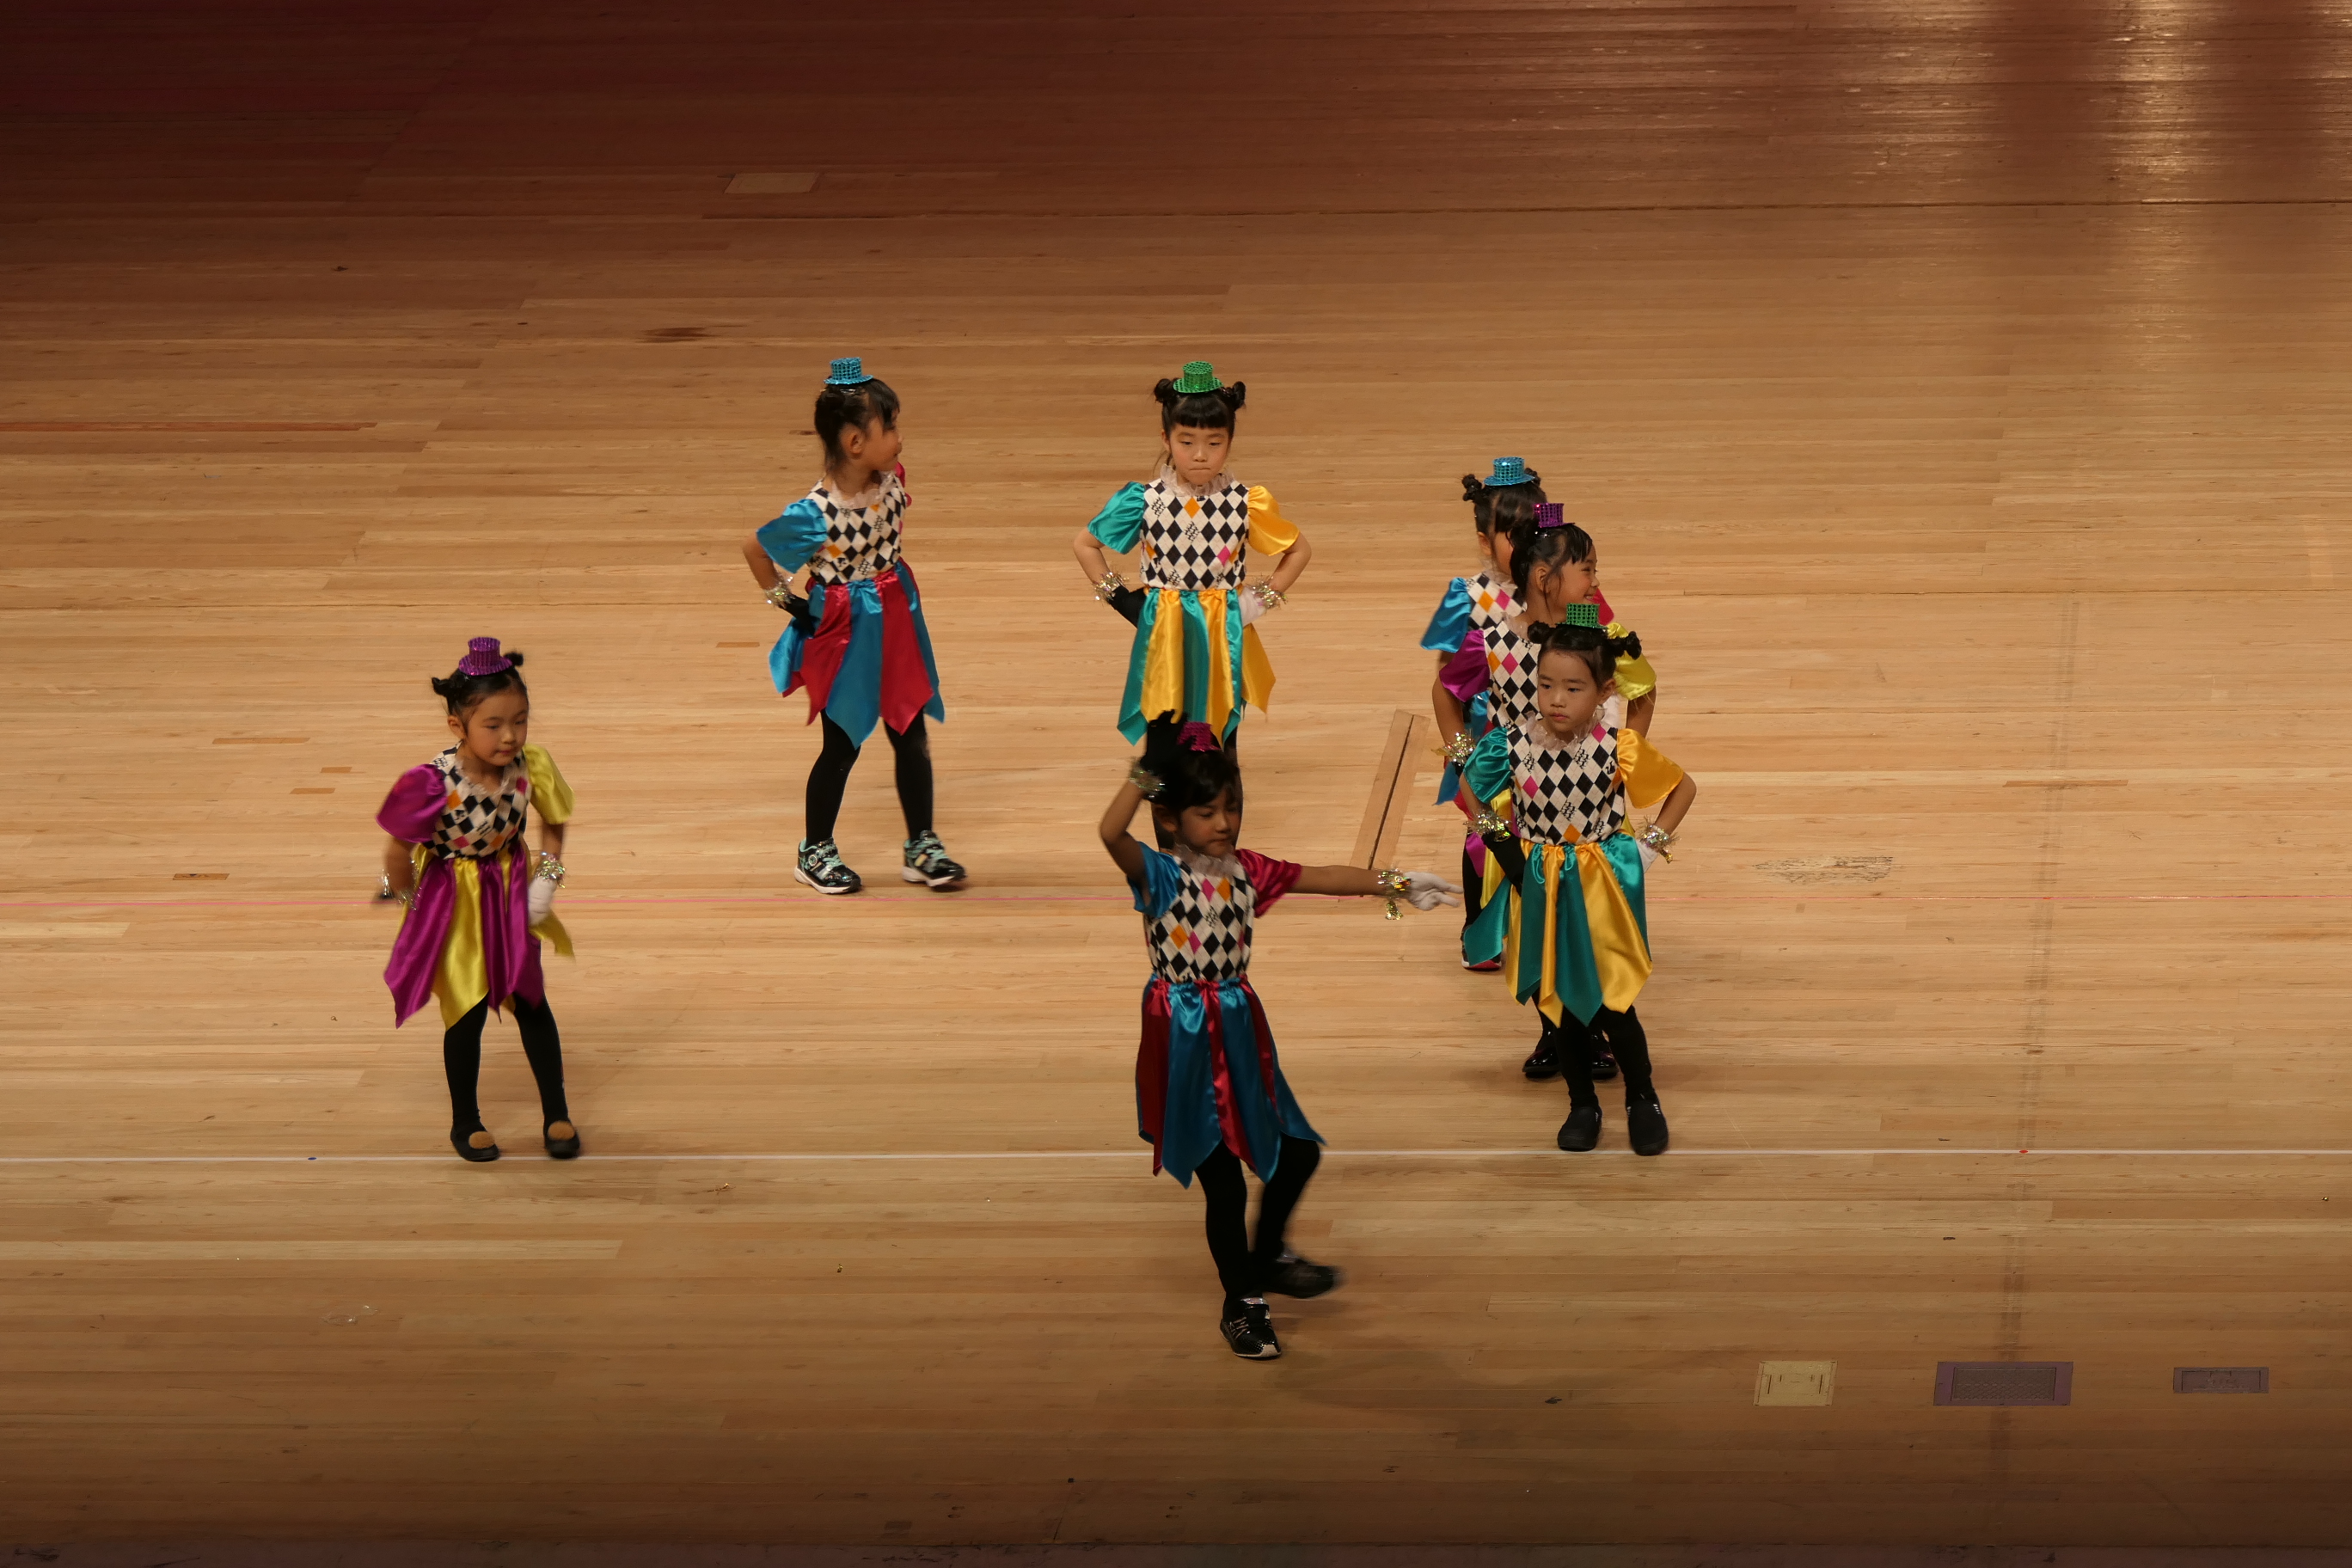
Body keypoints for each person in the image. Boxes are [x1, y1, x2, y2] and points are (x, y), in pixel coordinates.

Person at [1097, 721, 1459, 1359]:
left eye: (1231, 807)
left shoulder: (1248, 871)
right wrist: (1143, 772)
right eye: (1207, 812)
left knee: (1297, 1155)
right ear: (1171, 819)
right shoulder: (1157, 875)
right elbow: (1109, 833)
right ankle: (1242, 1302)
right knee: (1224, 1185)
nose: (1224, 822)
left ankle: (1265, 1256)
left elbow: (1324, 876)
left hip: (1239, 1031)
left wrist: (1397, 883)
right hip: (1184, 1040)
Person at [1462, 612, 1698, 1155]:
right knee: (1561, 1006)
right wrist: (1504, 848)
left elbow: (1683, 788)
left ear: (1604, 691)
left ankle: (1642, 1097)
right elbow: (1470, 792)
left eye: (1572, 688)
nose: (1556, 699)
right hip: (1541, 885)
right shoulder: (1510, 745)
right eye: (1545, 685)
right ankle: (1582, 1103)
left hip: (1602, 889)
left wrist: (1647, 848)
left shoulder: (1618, 746)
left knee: (1615, 1002)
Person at [740, 356, 963, 896]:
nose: (901, 439)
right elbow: (755, 548)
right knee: (841, 744)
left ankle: (921, 844)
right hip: (845, 631)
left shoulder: (891, 481)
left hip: (897, 618)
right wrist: (788, 603)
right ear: (856, 442)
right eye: (891, 427)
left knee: (910, 731)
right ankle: (814, 850)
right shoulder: (814, 514)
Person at [377, 638, 579, 1163]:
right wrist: (410, 901)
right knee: (465, 1010)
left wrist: (547, 878)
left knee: (531, 999)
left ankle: (556, 1111)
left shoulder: (532, 766)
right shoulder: (431, 783)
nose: (510, 736)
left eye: (521, 721)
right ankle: (465, 1119)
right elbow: (397, 849)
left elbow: (554, 822)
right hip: (454, 900)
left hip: (509, 889)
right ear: (457, 726)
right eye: (494, 725)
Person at [1072, 362, 1312, 750]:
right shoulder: (1144, 500)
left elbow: (1299, 550)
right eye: (1187, 442)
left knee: (1218, 721)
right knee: (1164, 718)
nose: (1201, 455)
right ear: (1166, 440)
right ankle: (1162, 783)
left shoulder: (1245, 503)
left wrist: (1255, 604)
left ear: (1229, 442)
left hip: (1222, 628)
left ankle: (1217, 780)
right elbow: (1085, 544)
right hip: (1164, 627)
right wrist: (1124, 601)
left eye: (1214, 443)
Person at [1423, 458, 1546, 971]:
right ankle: (1480, 933)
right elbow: (1446, 678)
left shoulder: (1570, 590)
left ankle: (1543, 922)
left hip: (1557, 732)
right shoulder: (1470, 597)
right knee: (1484, 831)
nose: (1528, 545)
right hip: (1491, 730)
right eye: (1512, 536)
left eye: (1535, 531)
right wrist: (1462, 753)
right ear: (1484, 540)